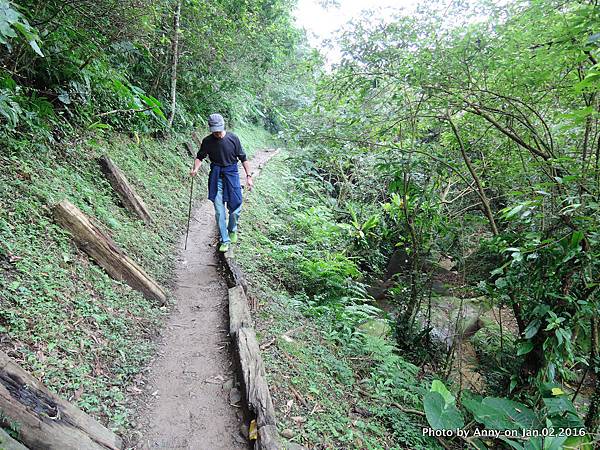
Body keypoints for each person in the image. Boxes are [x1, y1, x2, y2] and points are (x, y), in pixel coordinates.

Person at [190, 113, 253, 252]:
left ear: (223, 126)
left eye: (219, 130)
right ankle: (224, 239)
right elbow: (200, 157)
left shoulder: (233, 139)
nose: (217, 133)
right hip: (216, 176)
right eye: (214, 131)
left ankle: (233, 229)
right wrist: (195, 169)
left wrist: (249, 176)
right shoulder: (207, 141)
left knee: (236, 205)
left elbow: (243, 158)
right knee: (219, 211)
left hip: (232, 174)